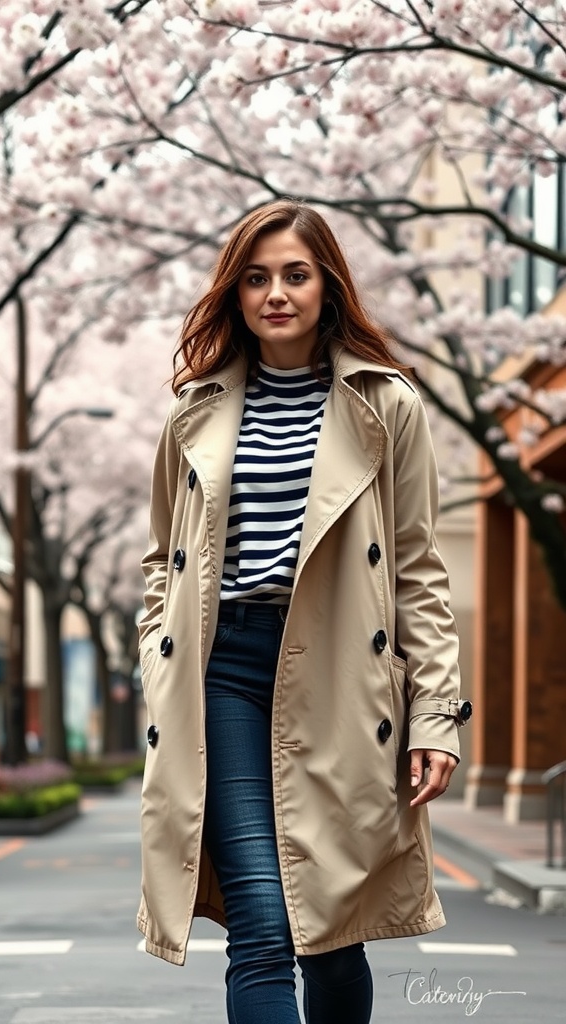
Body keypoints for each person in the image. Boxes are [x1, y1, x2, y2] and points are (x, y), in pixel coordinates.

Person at [137, 199, 471, 1024]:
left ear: (328, 286)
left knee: (330, 928)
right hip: (227, 674)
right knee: (262, 919)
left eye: (295, 274)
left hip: (342, 677)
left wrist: (434, 716)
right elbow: (161, 561)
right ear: (235, 294)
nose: (276, 293)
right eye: (256, 278)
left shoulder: (386, 407)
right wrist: (159, 658)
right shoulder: (193, 412)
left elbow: (419, 571)